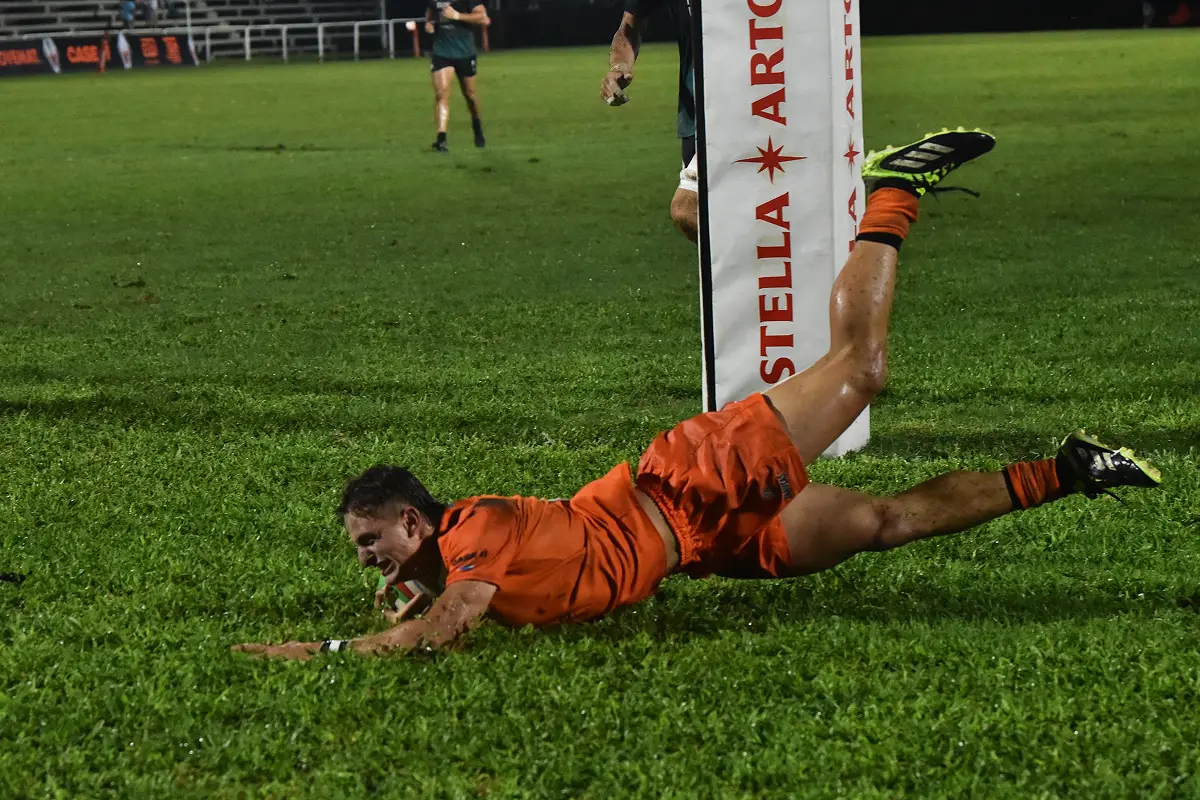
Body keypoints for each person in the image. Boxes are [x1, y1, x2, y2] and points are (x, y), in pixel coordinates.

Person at [233, 130, 1161, 661]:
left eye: (370, 543)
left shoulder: (473, 533)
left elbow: (444, 631)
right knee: (883, 523)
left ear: (414, 519)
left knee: (863, 369)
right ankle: (1071, 468)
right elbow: (420, 608)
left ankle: (894, 189)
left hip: (692, 482)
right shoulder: (433, 564)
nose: (366, 561)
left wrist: (315, 656)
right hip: (704, 545)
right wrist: (393, 600)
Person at [601, 0, 698, 242]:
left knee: (687, 210)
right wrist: (619, 66)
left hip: (759, 103)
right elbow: (630, 27)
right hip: (695, 117)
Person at [425, 0, 489, 152]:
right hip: (442, 51)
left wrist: (457, 16)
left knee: (470, 95)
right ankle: (441, 139)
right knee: (441, 93)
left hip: (464, 51)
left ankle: (476, 124)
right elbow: (429, 15)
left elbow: (482, 17)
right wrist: (429, 25)